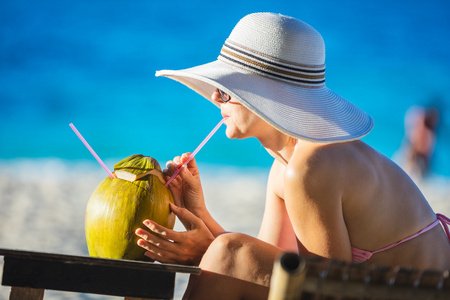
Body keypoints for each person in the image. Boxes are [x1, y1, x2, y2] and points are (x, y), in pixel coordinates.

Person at [134, 13, 450, 299]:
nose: (215, 97)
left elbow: (325, 290)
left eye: (228, 89)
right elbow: (265, 262)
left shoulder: (311, 168)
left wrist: (206, 251)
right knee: (225, 251)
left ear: (268, 97)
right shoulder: (287, 167)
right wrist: (197, 211)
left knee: (225, 252)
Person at [393, 105, 440, 181]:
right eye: (425, 126)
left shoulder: (418, 164)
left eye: (431, 128)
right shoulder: (402, 166)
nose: (428, 135)